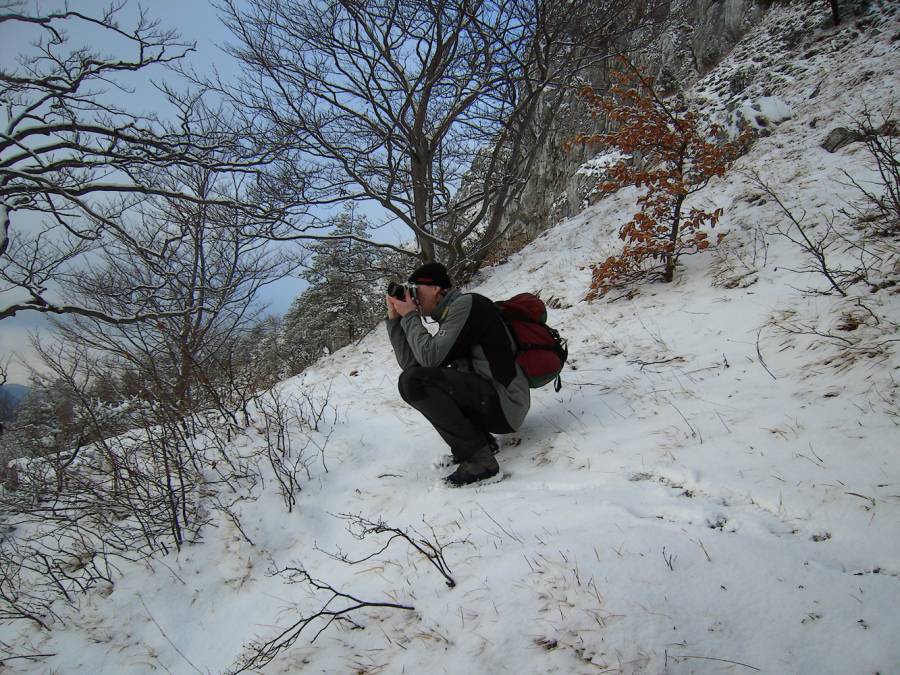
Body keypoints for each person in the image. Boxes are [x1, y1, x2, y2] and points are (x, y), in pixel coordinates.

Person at [385, 262, 530, 486]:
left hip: (507, 402)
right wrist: (395, 319)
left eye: (415, 291)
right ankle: (482, 443)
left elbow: (429, 360)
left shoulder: (467, 305)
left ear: (435, 288)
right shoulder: (450, 317)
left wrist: (410, 316)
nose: (412, 298)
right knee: (413, 380)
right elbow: (412, 365)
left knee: (414, 382)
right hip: (493, 402)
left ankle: (481, 462)